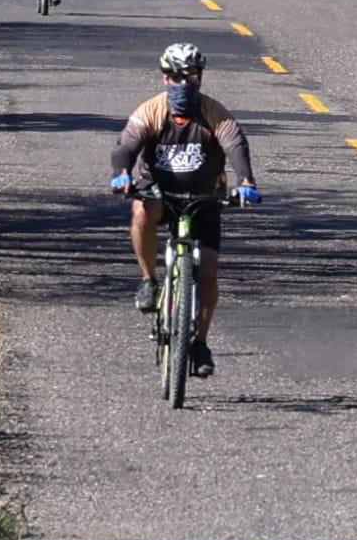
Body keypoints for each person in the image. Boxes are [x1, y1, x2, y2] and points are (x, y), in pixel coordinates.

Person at [109, 42, 260, 379]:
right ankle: (148, 280)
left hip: (205, 198)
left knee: (207, 273)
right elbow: (127, 144)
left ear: (200, 77)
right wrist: (122, 173)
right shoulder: (151, 110)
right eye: (176, 76)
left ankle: (200, 343)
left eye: (190, 75)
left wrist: (246, 180)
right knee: (140, 211)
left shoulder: (213, 112)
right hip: (161, 193)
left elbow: (235, 144)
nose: (183, 83)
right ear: (165, 78)